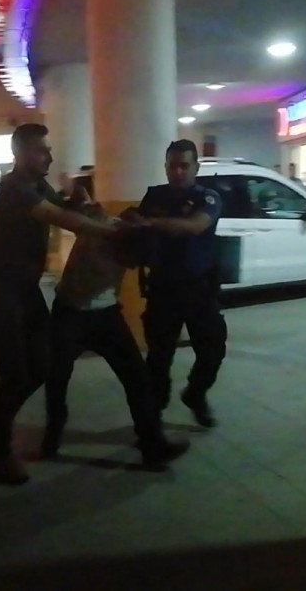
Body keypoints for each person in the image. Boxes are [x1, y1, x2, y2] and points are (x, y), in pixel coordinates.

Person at [0, 123, 121, 485]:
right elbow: (60, 218)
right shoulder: (13, 188)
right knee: (15, 374)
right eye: (42, 150)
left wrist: (79, 199)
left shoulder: (38, 186)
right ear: (20, 153)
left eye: (49, 150)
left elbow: (64, 207)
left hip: (24, 291)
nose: (49, 157)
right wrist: (113, 231)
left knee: (43, 364)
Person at [43, 199, 190, 467]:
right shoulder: (97, 233)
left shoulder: (127, 236)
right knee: (57, 379)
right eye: (130, 260)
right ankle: (52, 437)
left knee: (138, 379)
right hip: (70, 314)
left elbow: (118, 217)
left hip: (106, 315)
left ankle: (153, 446)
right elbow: (85, 213)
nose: (130, 267)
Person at [128, 139, 226, 428]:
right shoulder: (154, 197)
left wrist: (150, 223)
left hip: (199, 288)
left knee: (212, 350)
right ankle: (154, 416)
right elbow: (136, 229)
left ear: (196, 167)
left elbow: (195, 226)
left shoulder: (208, 197)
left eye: (184, 166)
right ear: (166, 167)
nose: (178, 172)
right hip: (163, 288)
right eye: (173, 166)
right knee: (159, 357)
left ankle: (195, 393)